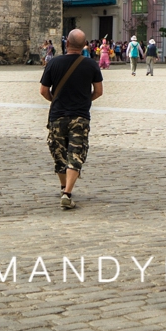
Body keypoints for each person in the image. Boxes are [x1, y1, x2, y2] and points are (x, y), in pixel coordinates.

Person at [38, 28, 104, 211]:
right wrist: (84, 101)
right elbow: (98, 92)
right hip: (80, 117)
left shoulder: (54, 63)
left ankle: (63, 188)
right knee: (75, 154)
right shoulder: (91, 65)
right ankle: (67, 193)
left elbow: (43, 91)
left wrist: (55, 100)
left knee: (59, 155)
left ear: (66, 43)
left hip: (57, 116)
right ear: (84, 45)